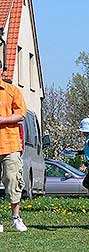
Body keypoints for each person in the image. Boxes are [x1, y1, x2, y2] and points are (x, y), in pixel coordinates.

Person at [0, 60, 28, 232]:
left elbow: (21, 115)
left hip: (9, 145)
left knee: (13, 181)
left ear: (2, 70)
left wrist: (3, 120)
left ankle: (16, 217)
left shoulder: (11, 91)